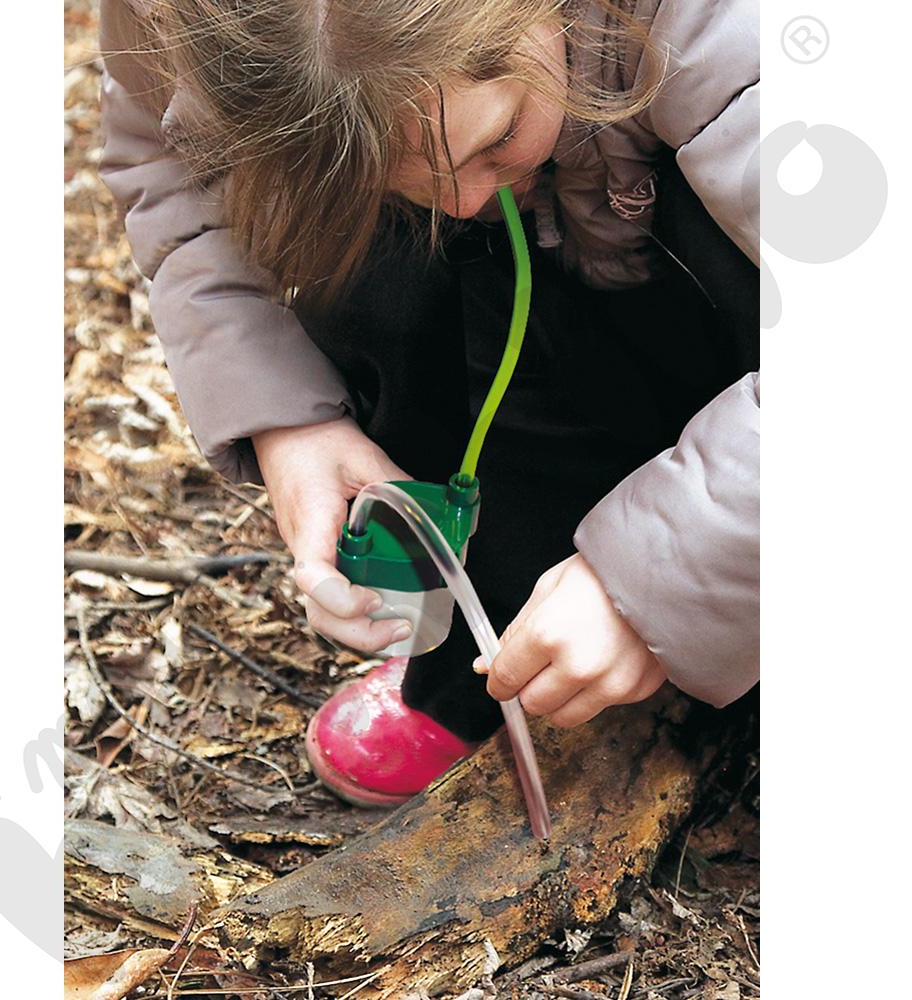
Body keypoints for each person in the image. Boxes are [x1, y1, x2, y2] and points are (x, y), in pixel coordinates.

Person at [97, 0, 760, 808]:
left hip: (721, 286)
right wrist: (288, 415)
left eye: (497, 136)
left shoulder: (733, 31)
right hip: (569, 259)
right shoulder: (188, 15)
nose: (459, 204)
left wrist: (669, 568)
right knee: (370, 245)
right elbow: (174, 166)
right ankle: (489, 637)